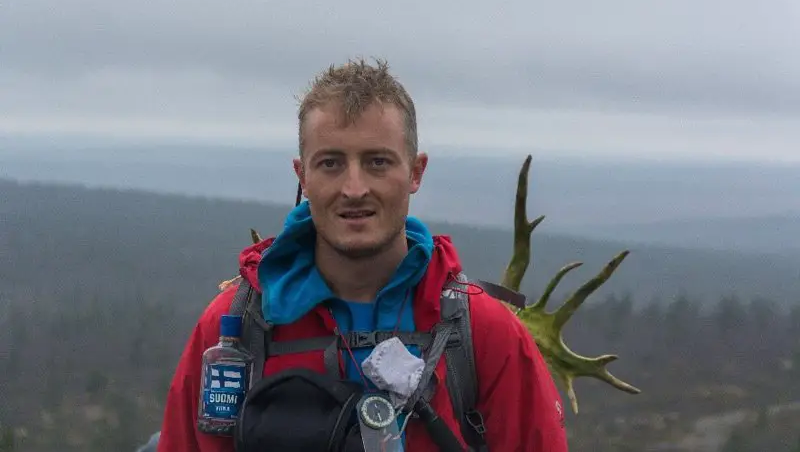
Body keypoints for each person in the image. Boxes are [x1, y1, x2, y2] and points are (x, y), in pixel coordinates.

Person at [156, 59, 569, 451]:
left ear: (415, 172)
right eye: (331, 163)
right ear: (303, 175)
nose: (354, 189)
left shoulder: (480, 334)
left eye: (377, 162)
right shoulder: (237, 330)